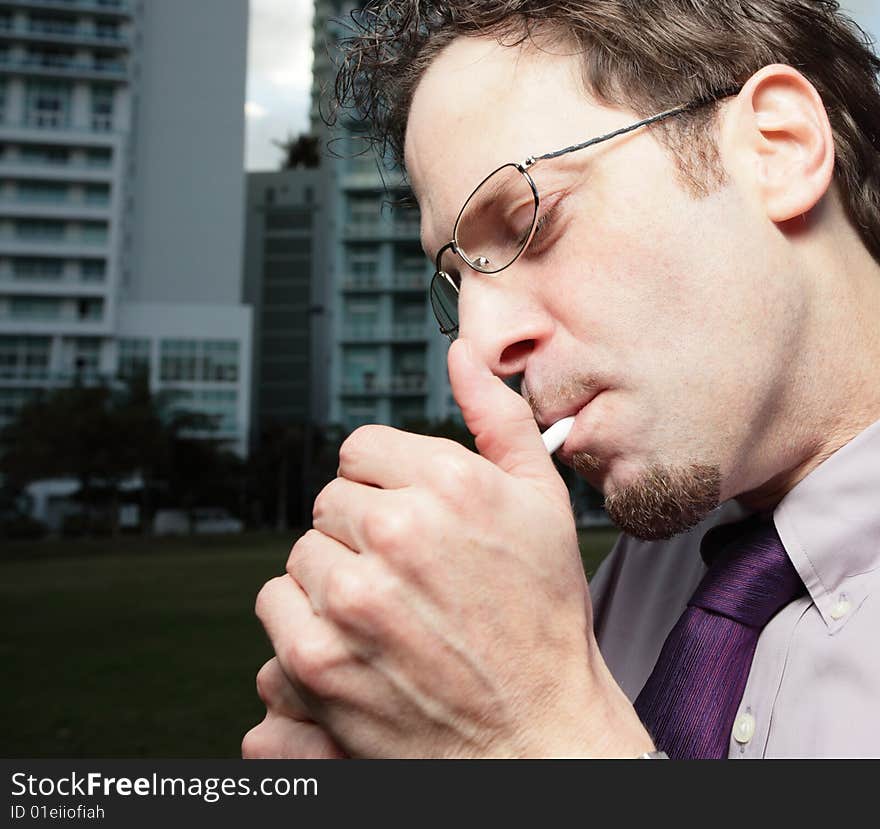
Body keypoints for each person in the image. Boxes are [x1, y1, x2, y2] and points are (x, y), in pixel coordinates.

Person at [242, 0, 880, 759]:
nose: (480, 346)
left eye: (528, 222)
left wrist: (532, 740)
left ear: (778, 148)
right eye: (455, 283)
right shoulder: (599, 593)